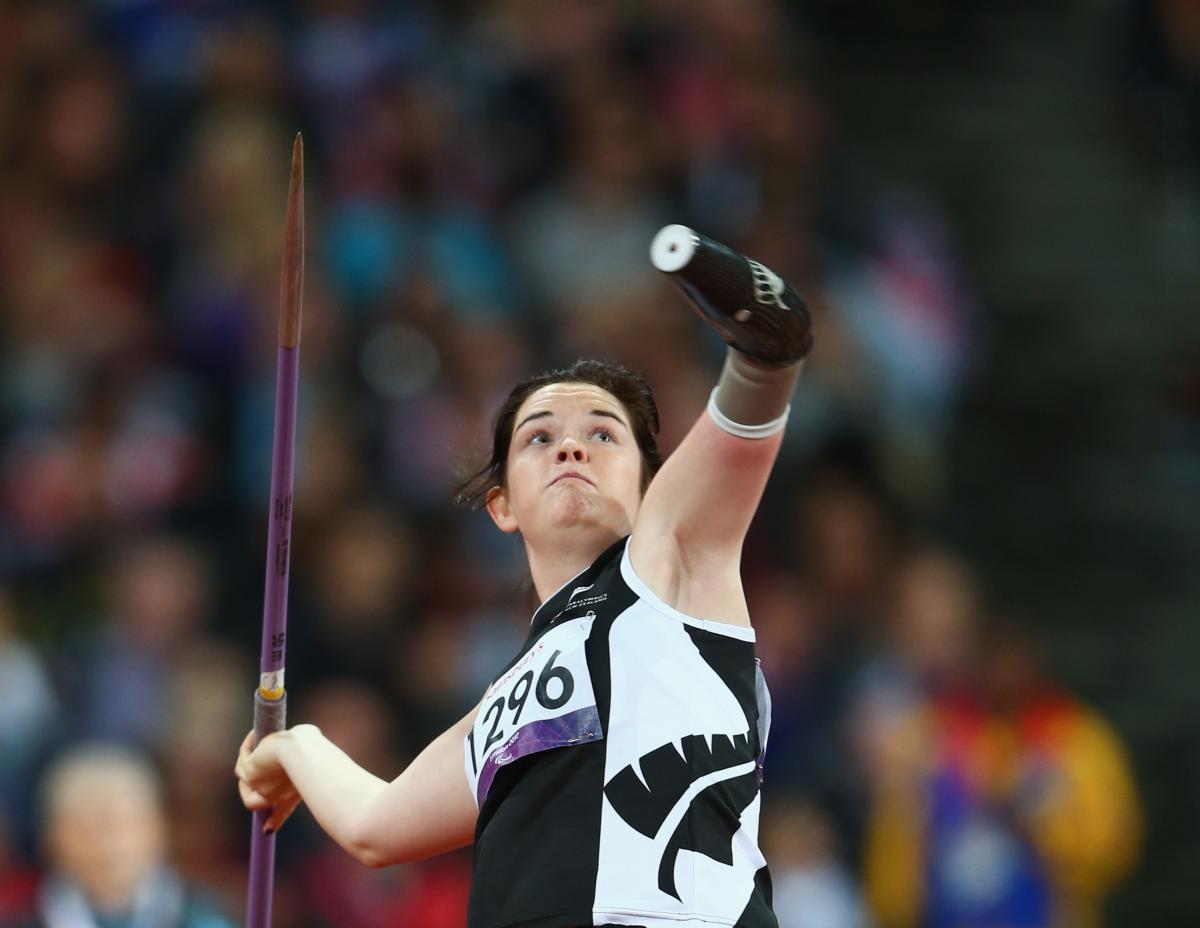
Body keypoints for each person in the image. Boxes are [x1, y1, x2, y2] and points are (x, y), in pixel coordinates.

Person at [235, 226, 813, 928]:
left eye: (603, 434)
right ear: (501, 505)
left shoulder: (675, 560)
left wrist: (767, 346)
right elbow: (376, 826)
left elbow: (765, 364)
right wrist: (294, 746)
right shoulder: (501, 708)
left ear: (653, 485)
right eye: (539, 437)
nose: (571, 443)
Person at [13, 743, 234, 928]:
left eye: (119, 824)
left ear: (157, 828)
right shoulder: (22, 919)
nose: (105, 843)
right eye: (86, 826)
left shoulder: (204, 918)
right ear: (53, 837)